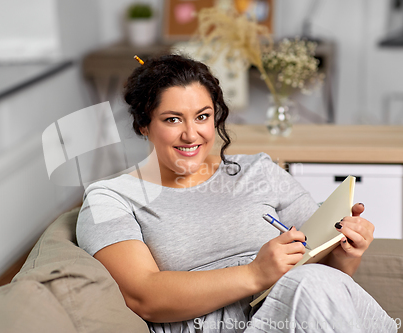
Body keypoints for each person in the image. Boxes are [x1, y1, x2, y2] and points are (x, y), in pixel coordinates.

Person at [76, 54, 397, 332]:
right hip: (217, 324)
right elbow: (142, 296)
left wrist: (345, 251)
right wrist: (256, 273)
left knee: (317, 283)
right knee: (310, 284)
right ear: (144, 124)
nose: (191, 134)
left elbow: (329, 276)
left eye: (202, 116)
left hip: (307, 308)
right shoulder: (110, 198)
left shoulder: (258, 170)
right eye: (172, 119)